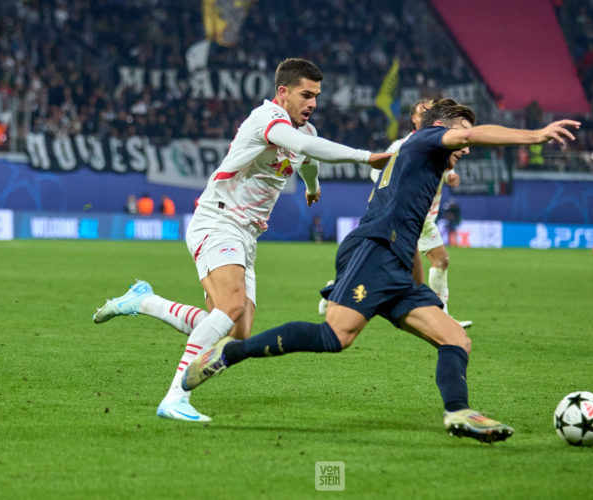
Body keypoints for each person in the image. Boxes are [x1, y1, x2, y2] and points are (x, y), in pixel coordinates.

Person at [182, 99, 580, 442]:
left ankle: (458, 412)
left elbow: (409, 226)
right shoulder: (424, 140)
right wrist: (535, 135)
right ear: (443, 128)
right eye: (464, 134)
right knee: (335, 336)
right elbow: (460, 140)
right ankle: (231, 352)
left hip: (397, 262)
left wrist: (418, 286)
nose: (467, 144)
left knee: (455, 338)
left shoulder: (426, 164)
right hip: (373, 250)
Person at [92, 58, 391, 422]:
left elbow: (307, 154)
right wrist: (366, 157)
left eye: (316, 96)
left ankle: (145, 301)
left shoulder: (304, 133)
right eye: (306, 94)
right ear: (283, 93)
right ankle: (175, 397)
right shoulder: (267, 120)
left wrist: (312, 185)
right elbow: (297, 143)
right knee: (231, 306)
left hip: (247, 234)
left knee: (235, 332)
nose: (313, 103)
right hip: (218, 221)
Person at [319, 99, 472, 328]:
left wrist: (450, 176)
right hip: (407, 213)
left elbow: (443, 168)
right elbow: (379, 175)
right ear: (414, 118)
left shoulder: (440, 143)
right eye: (422, 112)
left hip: (422, 214)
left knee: (399, 265)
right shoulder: (402, 145)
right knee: (435, 260)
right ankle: (441, 318)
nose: (425, 116)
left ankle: (338, 287)